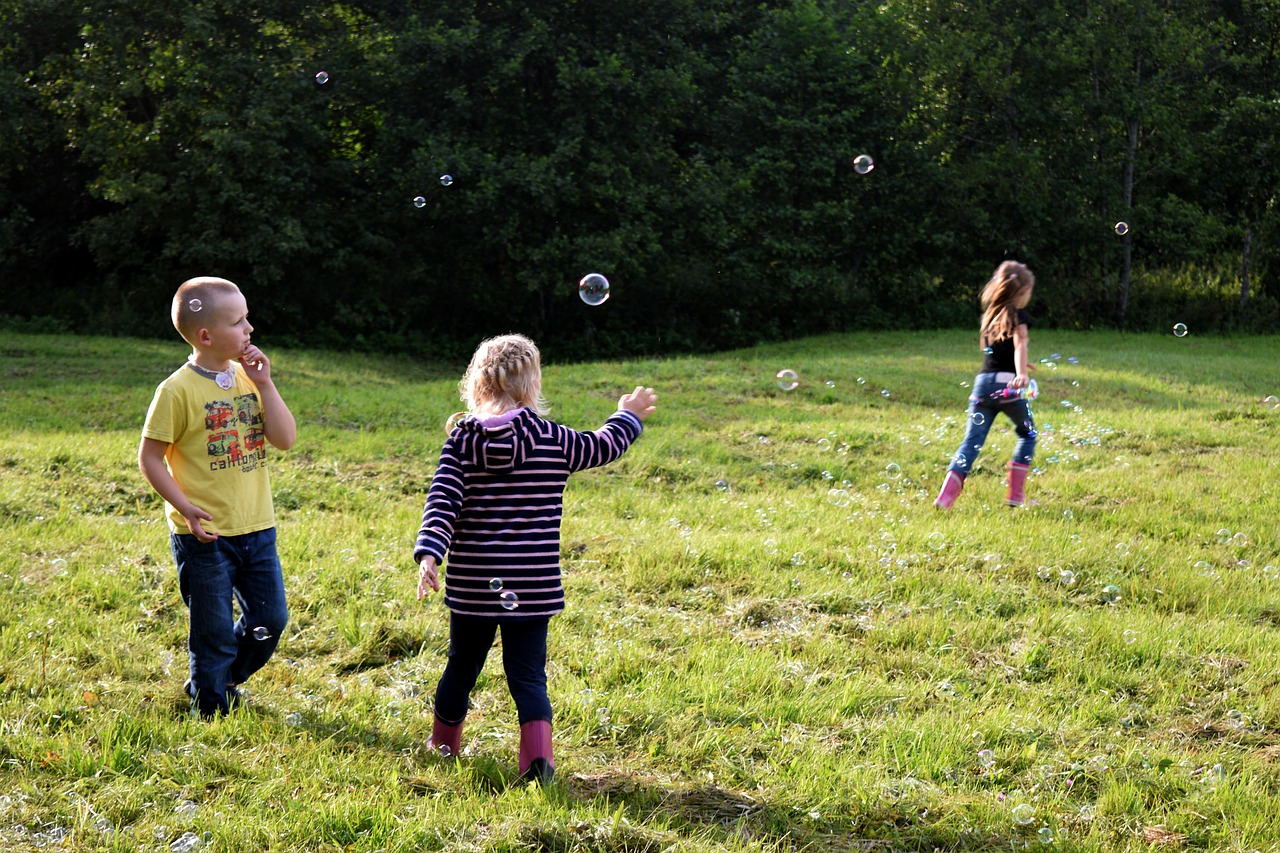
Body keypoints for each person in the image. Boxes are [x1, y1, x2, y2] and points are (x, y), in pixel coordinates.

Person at [413, 333, 657, 785]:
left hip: (473, 584)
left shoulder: (462, 444)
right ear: (531, 386)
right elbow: (603, 445)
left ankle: (444, 744)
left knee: (461, 666)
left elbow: (441, 502)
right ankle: (537, 761)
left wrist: (430, 553)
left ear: (476, 384)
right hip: (534, 584)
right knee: (528, 675)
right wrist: (629, 416)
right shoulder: (554, 439)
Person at [138, 276, 297, 718]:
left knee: (272, 620)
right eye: (238, 322)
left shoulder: (249, 378)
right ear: (206, 335)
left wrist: (266, 385)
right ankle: (210, 712)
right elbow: (149, 458)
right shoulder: (176, 391)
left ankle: (222, 679)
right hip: (204, 533)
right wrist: (184, 507)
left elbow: (284, 439)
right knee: (211, 631)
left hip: (257, 526)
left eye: (247, 319)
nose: (249, 329)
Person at [935, 260, 1038, 510]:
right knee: (1028, 434)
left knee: (971, 442)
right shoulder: (1018, 314)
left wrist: (1019, 364)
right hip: (1009, 387)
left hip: (983, 384)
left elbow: (990, 350)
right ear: (1022, 292)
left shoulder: (990, 315)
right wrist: (1021, 372)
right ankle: (1015, 494)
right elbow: (1019, 344)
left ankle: (945, 497)